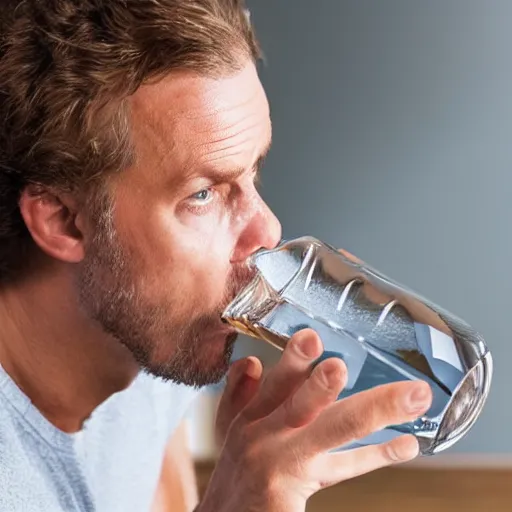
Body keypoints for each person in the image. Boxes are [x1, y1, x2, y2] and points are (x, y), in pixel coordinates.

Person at [0, 1, 433, 511]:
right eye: (203, 194)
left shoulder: (150, 347)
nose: (268, 231)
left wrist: (233, 484)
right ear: (63, 221)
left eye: (253, 172)